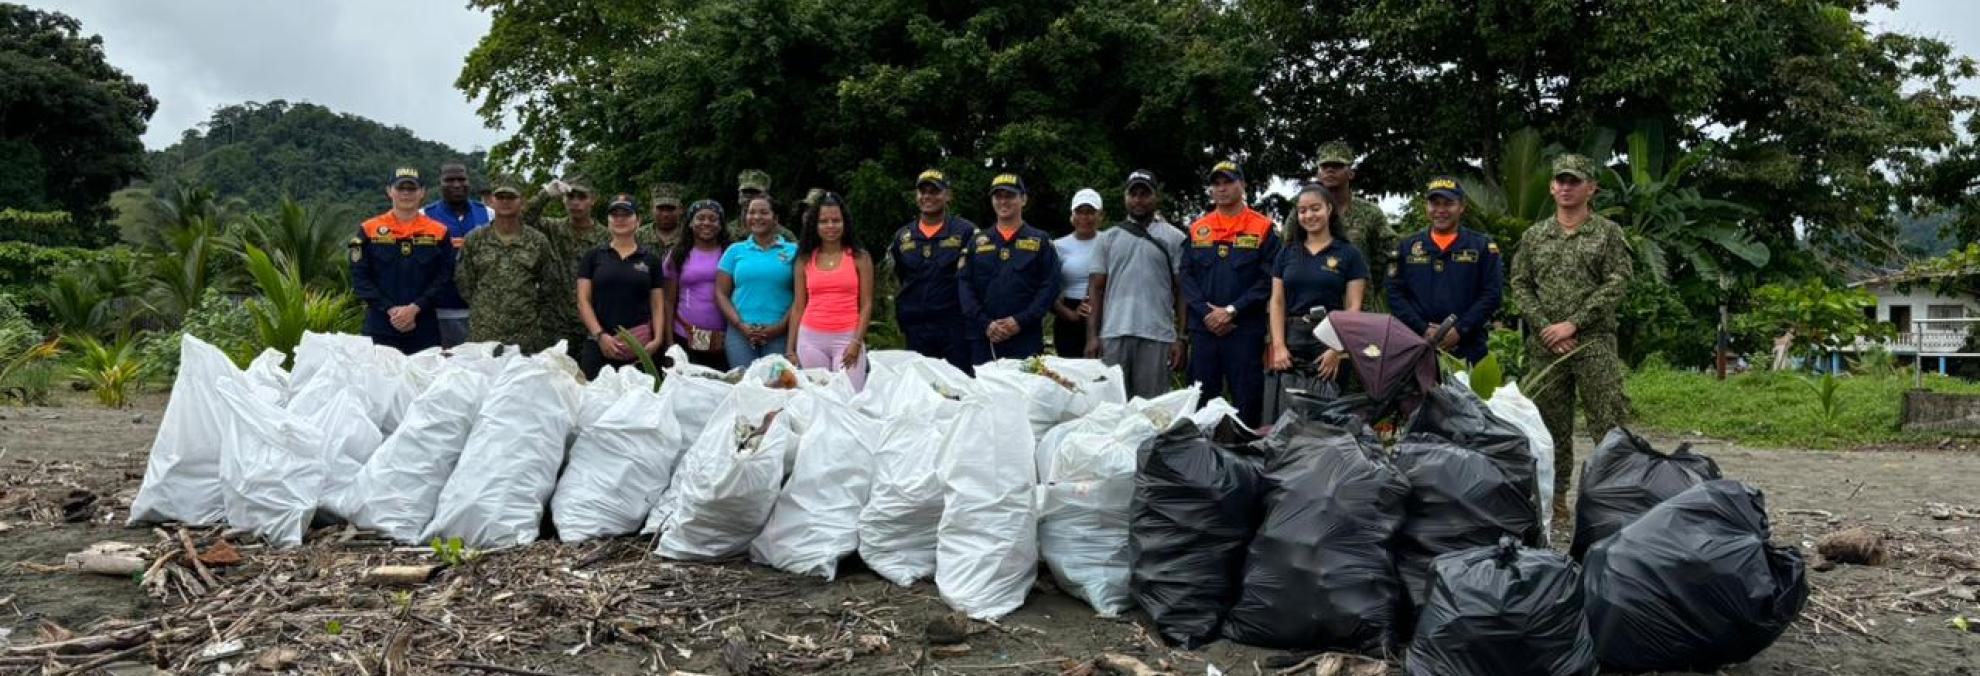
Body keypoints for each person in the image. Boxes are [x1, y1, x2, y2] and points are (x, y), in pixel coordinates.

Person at [1508, 153, 1634, 527]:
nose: (1565, 187)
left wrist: (1573, 324)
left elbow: (1617, 283)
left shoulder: (1608, 233)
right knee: (1549, 425)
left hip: (1593, 343)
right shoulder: (1535, 236)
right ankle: (1555, 497)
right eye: (1560, 181)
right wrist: (1548, 327)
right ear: (1551, 186)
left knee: (1607, 421)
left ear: (1591, 188)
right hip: (1546, 347)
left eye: (1574, 181)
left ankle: (1614, 495)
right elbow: (1520, 284)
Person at [1181, 160, 1280, 427]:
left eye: (1229, 182)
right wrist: (1207, 314)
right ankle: (1198, 460)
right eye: (1216, 184)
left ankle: (1245, 462)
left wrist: (1231, 311)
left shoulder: (1264, 228)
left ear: (1243, 185)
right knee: (1198, 400)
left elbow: (1269, 279)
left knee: (1247, 401)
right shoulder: (1197, 228)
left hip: (1244, 330)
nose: (1222, 189)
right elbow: (1186, 276)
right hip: (1204, 330)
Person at [1085, 170, 1187, 400]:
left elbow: (1182, 292)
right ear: (1125, 197)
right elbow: (1095, 289)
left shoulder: (1175, 238)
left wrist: (1181, 338)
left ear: (1156, 197)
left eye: (1144, 194)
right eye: (1133, 194)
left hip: (1158, 336)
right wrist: (1092, 336)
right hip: (1113, 334)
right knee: (1111, 407)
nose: (1138, 199)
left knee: (1151, 410)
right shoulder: (1107, 238)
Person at [1387, 176, 1504, 364]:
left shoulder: (1482, 246)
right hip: (1417, 344)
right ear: (1427, 207)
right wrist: (1424, 328)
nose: (1441, 210)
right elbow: (1394, 293)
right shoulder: (1406, 247)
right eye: (1435, 204)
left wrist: (1460, 329)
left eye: (1448, 204)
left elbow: (1492, 294)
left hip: (1468, 346)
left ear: (1462, 207)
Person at [1268, 183, 1368, 380]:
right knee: (1289, 407)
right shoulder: (1286, 253)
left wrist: (1337, 348)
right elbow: (1277, 301)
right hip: (1292, 339)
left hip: (1330, 337)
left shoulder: (1349, 254)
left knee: (1330, 407)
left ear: (1329, 209)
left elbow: (1353, 307)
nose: (1309, 216)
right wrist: (1278, 346)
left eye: (1315, 208)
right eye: (1302, 211)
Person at [350, 167, 456, 354]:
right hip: (380, 326)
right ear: (389, 191)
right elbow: (360, 277)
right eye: (400, 188)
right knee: (377, 381)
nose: (406, 194)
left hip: (424, 327)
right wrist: (391, 310)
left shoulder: (439, 232)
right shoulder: (368, 229)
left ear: (422, 192)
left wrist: (415, 308)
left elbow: (445, 277)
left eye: (412, 189)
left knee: (425, 382)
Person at [960, 173, 1061, 363]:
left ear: (1023, 199)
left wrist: (1020, 321)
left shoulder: (1040, 241)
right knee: (983, 392)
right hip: (984, 338)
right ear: (992, 201)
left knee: (1026, 391)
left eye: (1010, 196)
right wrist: (986, 323)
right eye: (998, 196)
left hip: (1025, 338)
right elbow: (965, 287)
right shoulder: (977, 242)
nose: (1003, 201)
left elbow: (1049, 287)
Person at [455, 176, 559, 353]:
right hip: (483, 334)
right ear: (492, 201)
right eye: (500, 197)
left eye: (511, 197)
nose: (505, 202)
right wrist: (486, 307)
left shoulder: (537, 241)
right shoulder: (475, 239)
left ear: (522, 201)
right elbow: (465, 283)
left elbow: (549, 286)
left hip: (525, 336)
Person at [889, 169, 978, 371]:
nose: (927, 196)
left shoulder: (966, 232)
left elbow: (975, 280)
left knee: (960, 388)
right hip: (916, 327)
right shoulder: (903, 236)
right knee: (923, 390)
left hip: (955, 328)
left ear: (948, 195)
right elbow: (901, 276)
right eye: (923, 191)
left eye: (934, 191)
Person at [786, 193, 874, 389]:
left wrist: (856, 342)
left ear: (845, 222)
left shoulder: (860, 257)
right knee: (819, 399)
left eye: (836, 220)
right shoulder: (804, 259)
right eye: (824, 221)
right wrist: (790, 349)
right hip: (810, 340)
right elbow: (799, 306)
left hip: (847, 338)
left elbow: (867, 304)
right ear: (814, 225)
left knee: (849, 397)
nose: (831, 226)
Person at [576, 194, 666, 379]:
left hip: (641, 346)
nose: (620, 219)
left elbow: (657, 305)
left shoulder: (650, 259)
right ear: (608, 221)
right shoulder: (593, 256)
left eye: (626, 214)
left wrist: (657, 339)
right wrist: (600, 336)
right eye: (614, 215)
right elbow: (583, 301)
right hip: (600, 344)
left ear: (638, 221)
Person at [525, 174, 608, 356]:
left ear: (593, 200)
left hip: (590, 324)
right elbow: (522, 220)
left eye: (582, 197)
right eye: (571, 197)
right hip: (553, 324)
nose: (575, 202)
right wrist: (545, 195)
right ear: (563, 199)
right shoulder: (552, 229)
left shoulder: (606, 238)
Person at [717, 194, 798, 367]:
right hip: (741, 333)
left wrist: (780, 327)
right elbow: (721, 293)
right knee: (744, 385)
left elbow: (802, 295)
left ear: (775, 218)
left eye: (763, 212)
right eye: (751, 213)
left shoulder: (794, 251)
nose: (757, 217)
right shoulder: (734, 251)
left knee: (777, 387)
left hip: (781, 333)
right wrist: (740, 325)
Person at [1314, 141, 1395, 310]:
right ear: (1318, 174)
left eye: (1338, 165)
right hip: (1314, 308)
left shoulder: (1371, 213)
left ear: (1351, 173)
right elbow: (1288, 253)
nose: (1330, 170)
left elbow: (1388, 254)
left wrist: (1368, 283)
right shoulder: (1304, 212)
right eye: (1325, 166)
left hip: (1360, 308)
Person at [422, 162, 491, 348]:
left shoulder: (488, 214)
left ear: (469, 181)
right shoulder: (424, 216)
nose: (456, 185)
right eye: (449, 180)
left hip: (480, 311)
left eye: (461, 179)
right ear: (440, 183)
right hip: (438, 311)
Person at [664, 200, 733, 371]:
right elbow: (668, 301)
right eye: (700, 218)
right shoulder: (678, 254)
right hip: (685, 334)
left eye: (713, 219)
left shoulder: (732, 252)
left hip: (727, 338)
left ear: (721, 225)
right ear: (690, 223)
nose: (706, 223)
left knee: (721, 390)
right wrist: (669, 343)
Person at [1052, 188, 1104, 358]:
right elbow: (1047, 288)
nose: (1084, 218)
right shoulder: (1057, 246)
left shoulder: (1110, 241)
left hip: (1104, 313)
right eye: (1079, 212)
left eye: (1090, 212)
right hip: (1069, 316)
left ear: (1100, 215)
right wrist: (1069, 314)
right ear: (1072, 215)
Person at [641, 183, 687, 252]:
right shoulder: (639, 236)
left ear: (681, 209)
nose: (665, 214)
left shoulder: (688, 235)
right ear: (651, 209)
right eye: (660, 208)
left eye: (671, 209)